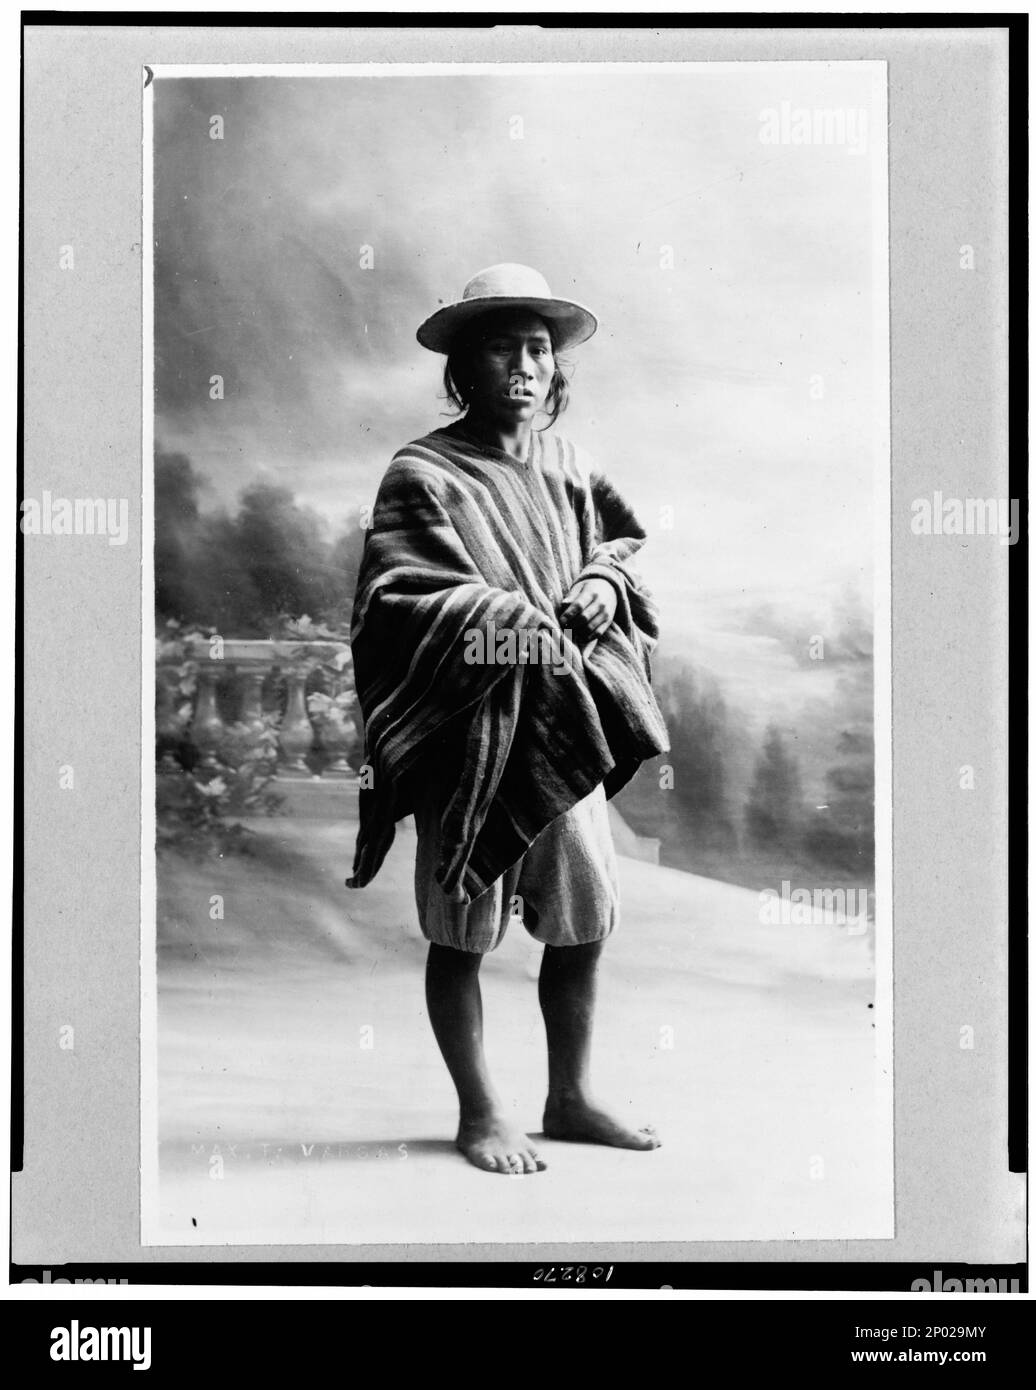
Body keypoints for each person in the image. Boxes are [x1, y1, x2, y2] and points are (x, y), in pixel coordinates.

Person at [347, 263, 670, 1175]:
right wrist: (511, 622)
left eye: (538, 349)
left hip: (560, 734)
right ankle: (482, 1110)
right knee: (463, 934)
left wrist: (605, 581)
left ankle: (568, 1098)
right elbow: (397, 596)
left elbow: (621, 540)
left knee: (585, 922)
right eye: (503, 348)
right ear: (464, 369)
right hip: (472, 740)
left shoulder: (569, 466)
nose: (525, 366)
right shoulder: (424, 472)